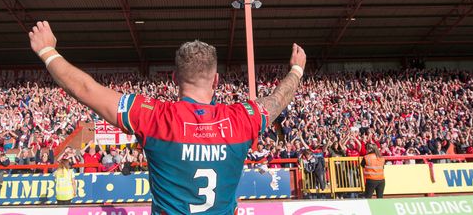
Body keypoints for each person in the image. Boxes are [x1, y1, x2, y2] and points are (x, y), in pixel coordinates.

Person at [29, 21, 306, 215]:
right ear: (217, 80)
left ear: (174, 78)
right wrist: (296, 70)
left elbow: (86, 89)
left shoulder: (154, 117)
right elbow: (276, 101)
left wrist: (47, 51)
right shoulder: (241, 119)